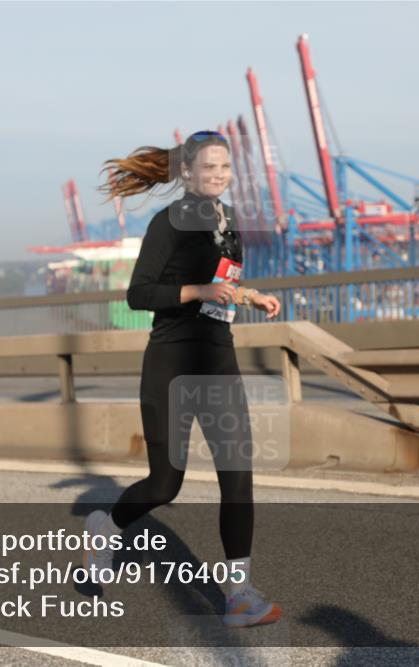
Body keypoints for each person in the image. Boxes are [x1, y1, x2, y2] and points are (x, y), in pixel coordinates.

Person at [82, 130, 282, 628]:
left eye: (225, 168)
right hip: (171, 364)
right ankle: (105, 528)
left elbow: (224, 281)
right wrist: (201, 290)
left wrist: (248, 294)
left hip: (217, 359)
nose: (218, 176)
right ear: (187, 172)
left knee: (237, 476)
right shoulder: (167, 221)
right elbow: (139, 294)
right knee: (165, 484)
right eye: (208, 168)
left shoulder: (228, 219)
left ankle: (239, 595)